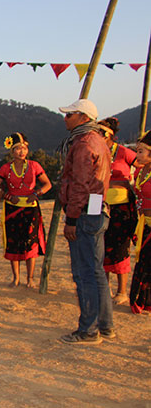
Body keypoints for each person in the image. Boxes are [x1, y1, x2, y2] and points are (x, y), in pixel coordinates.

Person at [57, 99, 114, 344]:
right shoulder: (99, 141)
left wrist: (71, 218)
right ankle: (105, 324)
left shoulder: (83, 144)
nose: (65, 118)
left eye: (70, 115)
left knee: (84, 273)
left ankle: (89, 329)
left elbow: (80, 184)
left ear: (83, 117)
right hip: (97, 208)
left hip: (84, 213)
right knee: (96, 270)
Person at [0, 133, 52, 288]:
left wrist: (36, 194)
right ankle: (16, 278)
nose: (21, 151)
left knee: (30, 243)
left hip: (31, 210)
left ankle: (30, 278)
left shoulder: (34, 166)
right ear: (12, 151)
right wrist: (7, 196)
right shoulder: (5, 168)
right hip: (12, 209)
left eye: (24, 148)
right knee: (14, 243)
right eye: (18, 148)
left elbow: (47, 184)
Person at [97, 117, 137, 305]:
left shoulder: (124, 152)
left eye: (101, 132)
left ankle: (122, 291)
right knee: (100, 246)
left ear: (110, 135)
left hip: (122, 207)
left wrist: (127, 183)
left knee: (120, 247)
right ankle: (105, 288)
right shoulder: (94, 152)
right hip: (99, 204)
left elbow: (144, 165)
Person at [129, 131, 151, 314]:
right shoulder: (139, 172)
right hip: (144, 223)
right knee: (143, 261)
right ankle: (141, 300)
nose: (137, 155)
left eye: (141, 151)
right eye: (137, 151)